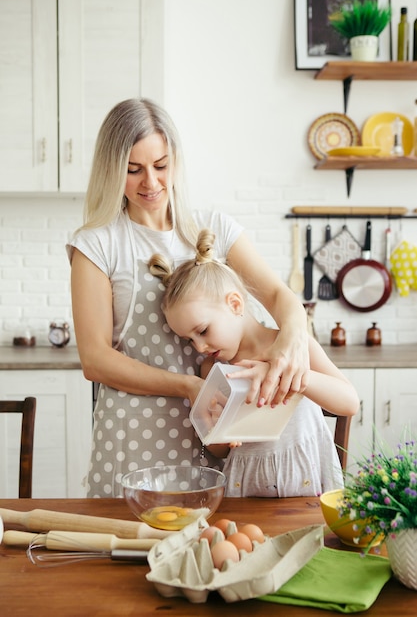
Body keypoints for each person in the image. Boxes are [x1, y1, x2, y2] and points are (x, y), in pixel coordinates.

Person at [67, 97, 311, 498]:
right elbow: (95, 360)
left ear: (175, 160)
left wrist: (293, 339)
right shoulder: (97, 245)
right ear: (112, 170)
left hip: (215, 437)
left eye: (161, 166)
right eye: (133, 170)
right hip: (134, 436)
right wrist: (187, 387)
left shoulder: (213, 228)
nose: (151, 182)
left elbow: (278, 295)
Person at [149, 229, 360, 497]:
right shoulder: (212, 371)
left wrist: (287, 373)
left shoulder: (293, 346)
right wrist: (209, 424)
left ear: (234, 304)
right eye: (189, 340)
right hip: (244, 487)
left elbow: (349, 402)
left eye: (202, 331)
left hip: (306, 482)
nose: (199, 347)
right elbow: (222, 450)